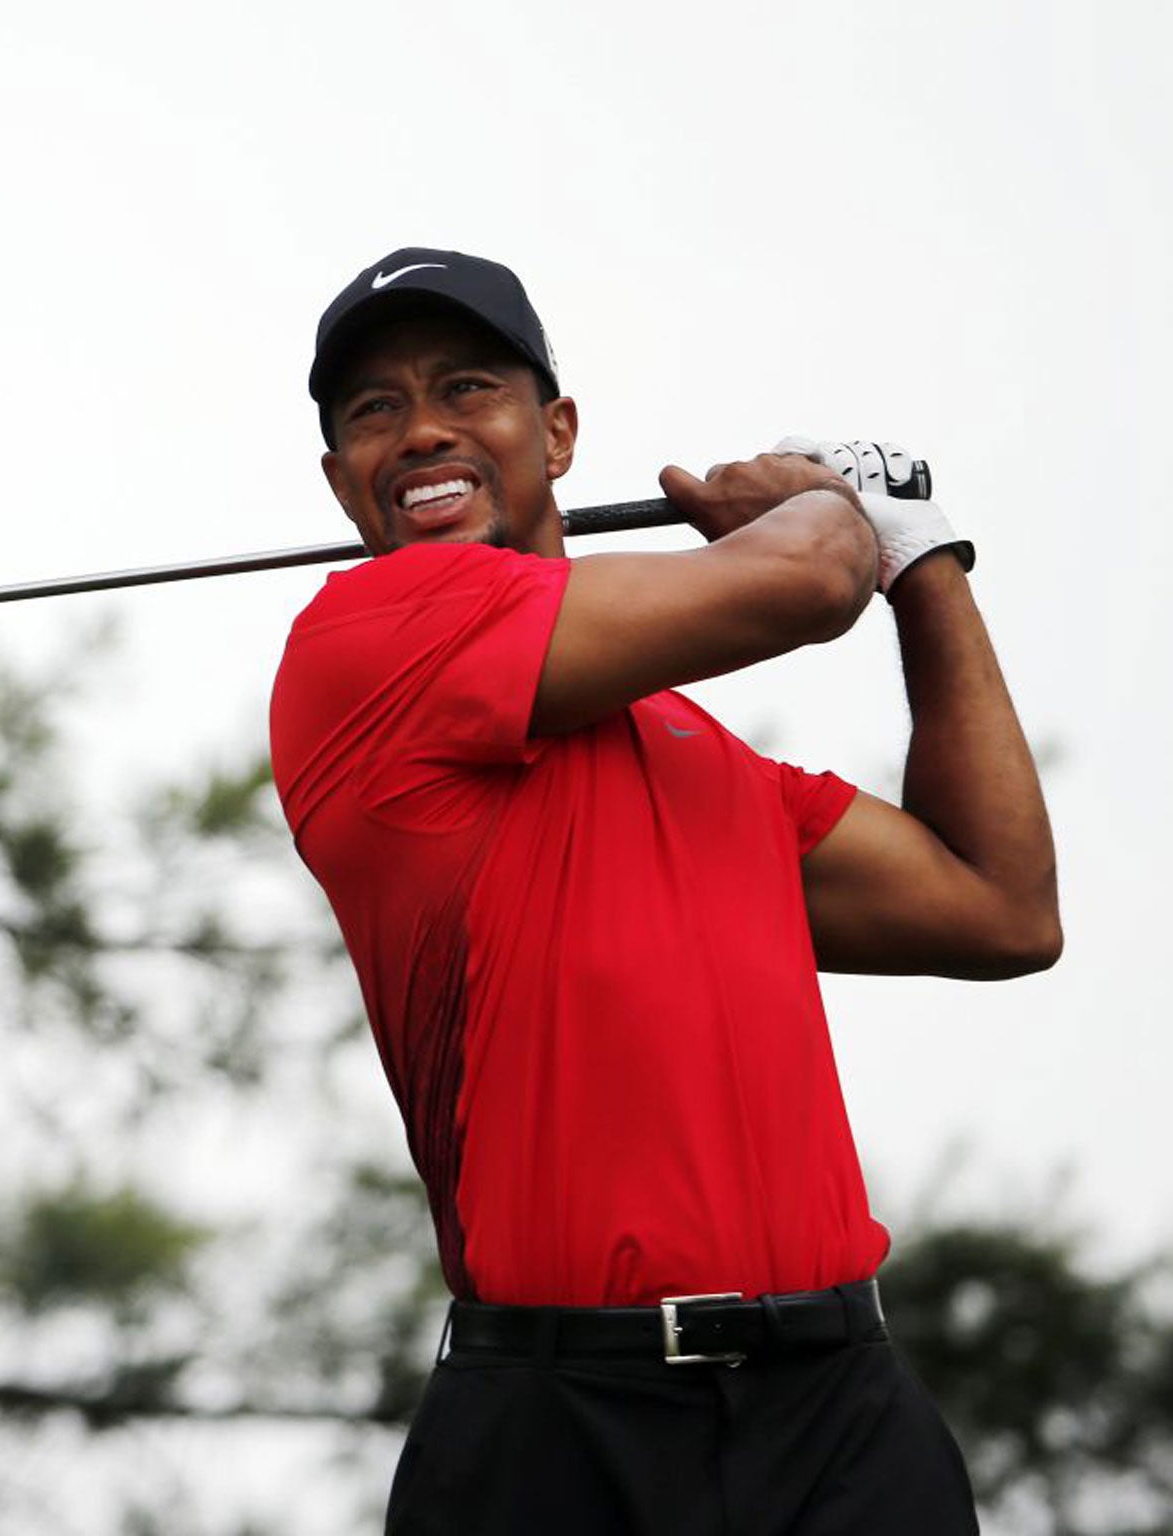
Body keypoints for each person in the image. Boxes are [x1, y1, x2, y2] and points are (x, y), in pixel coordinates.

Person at [268, 248, 1061, 1535]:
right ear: (338, 481)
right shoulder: (368, 640)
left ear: (557, 433)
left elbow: (999, 907)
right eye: (371, 409)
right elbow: (804, 579)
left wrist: (922, 559)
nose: (419, 429)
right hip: (555, 1425)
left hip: (839, 1418)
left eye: (466, 387)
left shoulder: (699, 759)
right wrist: (824, 505)